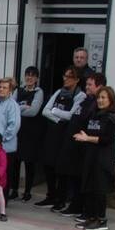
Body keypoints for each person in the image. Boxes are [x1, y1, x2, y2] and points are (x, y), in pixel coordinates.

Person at [72, 85, 115, 230]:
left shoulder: (113, 117)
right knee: (90, 187)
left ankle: (101, 220)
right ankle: (91, 217)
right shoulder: (94, 114)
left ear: (111, 100)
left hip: (103, 159)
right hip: (90, 156)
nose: (100, 100)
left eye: (103, 98)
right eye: (98, 97)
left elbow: (108, 138)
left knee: (99, 189)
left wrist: (88, 138)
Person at [55, 71, 105, 216]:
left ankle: (81, 208)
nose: (87, 87)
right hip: (73, 145)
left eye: (90, 85)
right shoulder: (86, 100)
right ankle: (75, 206)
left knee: (81, 179)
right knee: (73, 177)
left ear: (100, 86)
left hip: (84, 147)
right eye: (87, 84)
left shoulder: (96, 104)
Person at [37, 67, 85, 208]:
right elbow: (45, 111)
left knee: (62, 168)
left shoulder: (80, 95)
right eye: (65, 75)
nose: (65, 78)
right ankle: (50, 195)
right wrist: (58, 118)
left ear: (76, 80)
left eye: (69, 77)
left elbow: (71, 115)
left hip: (66, 135)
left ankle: (61, 198)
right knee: (48, 165)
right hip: (53, 132)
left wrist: (55, 111)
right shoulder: (59, 91)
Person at [13, 67, 45, 201]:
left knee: (29, 163)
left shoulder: (39, 92)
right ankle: (13, 189)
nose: (29, 78)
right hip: (18, 131)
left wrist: (18, 109)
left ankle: (27, 191)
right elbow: (12, 108)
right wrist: (24, 107)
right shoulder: (18, 91)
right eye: (27, 75)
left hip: (31, 133)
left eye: (32, 76)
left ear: (37, 78)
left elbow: (33, 111)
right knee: (15, 162)